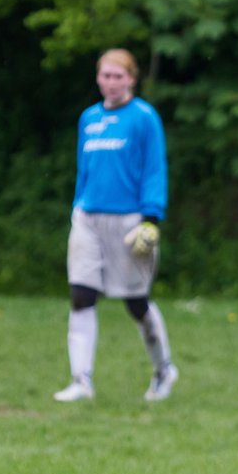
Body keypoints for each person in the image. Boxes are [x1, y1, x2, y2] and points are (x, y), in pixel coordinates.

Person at [54, 48, 178, 402]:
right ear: (97, 78)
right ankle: (81, 380)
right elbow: (85, 170)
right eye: (105, 76)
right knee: (81, 294)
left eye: (117, 76)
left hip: (130, 221)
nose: (110, 83)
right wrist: (78, 206)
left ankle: (163, 369)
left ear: (131, 79)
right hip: (88, 218)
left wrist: (151, 217)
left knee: (135, 302)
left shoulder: (143, 117)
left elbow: (155, 168)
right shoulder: (88, 118)